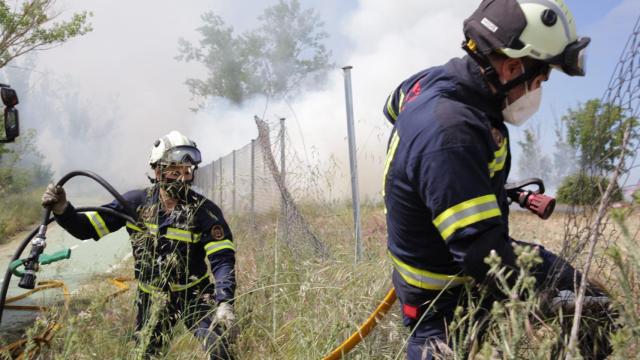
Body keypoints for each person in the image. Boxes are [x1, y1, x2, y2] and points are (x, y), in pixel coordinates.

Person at [382, 1, 608, 358]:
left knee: (590, 302)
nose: (539, 87)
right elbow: (484, 257)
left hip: (450, 264)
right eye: (542, 77)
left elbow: (392, 107)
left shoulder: (430, 82)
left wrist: (461, 182)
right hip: (444, 297)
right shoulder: (451, 132)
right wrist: (553, 295)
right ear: (513, 67)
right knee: (589, 306)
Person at [42, 130, 237, 359]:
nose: (183, 178)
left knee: (219, 349)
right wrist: (63, 210)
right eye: (175, 172)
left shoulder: (205, 211)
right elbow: (87, 228)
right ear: (157, 170)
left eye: (187, 171)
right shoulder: (135, 204)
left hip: (195, 295)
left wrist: (225, 302)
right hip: (152, 297)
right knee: (146, 354)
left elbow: (222, 258)